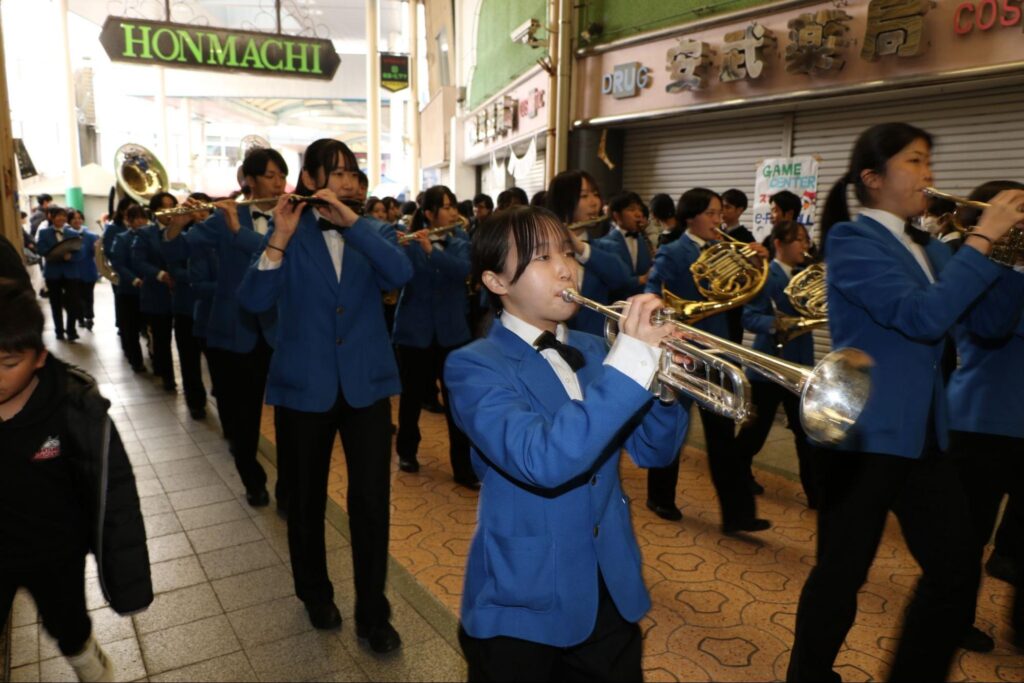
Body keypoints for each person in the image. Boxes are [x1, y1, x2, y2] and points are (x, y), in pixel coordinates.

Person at [786, 122, 1024, 682]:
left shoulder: (927, 247)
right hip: (863, 434)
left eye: (929, 163)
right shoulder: (851, 241)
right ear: (872, 178)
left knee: (956, 573)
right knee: (842, 575)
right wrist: (984, 240)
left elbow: (989, 323)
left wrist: (1011, 258)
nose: (930, 175)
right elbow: (921, 319)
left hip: (924, 438)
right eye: (915, 162)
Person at [443, 206, 689, 681]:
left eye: (569, 252)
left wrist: (664, 384)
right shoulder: (473, 366)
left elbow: (654, 453)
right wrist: (634, 361)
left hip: (608, 588)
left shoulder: (598, 349)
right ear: (497, 282)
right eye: (541, 257)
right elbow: (545, 460)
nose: (566, 268)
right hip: (522, 599)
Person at [237, 138, 413, 650]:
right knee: (307, 499)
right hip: (303, 387)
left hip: (367, 387)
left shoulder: (373, 230)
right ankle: (315, 592)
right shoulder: (286, 231)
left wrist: (355, 225)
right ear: (311, 178)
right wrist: (280, 239)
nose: (349, 182)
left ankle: (373, 612)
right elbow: (253, 298)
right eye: (337, 173)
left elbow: (401, 275)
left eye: (354, 173)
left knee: (371, 501)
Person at [0, 281, 152, 683]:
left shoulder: (72, 406)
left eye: (8, 363)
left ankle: (90, 664)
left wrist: (128, 579)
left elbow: (117, 496)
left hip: (53, 551)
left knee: (67, 628)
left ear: (38, 358)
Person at [161, 148, 287, 509]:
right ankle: (253, 479)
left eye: (282, 175)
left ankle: (288, 489)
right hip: (237, 331)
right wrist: (176, 224)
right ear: (248, 180)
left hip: (280, 329)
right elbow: (176, 252)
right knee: (241, 419)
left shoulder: (291, 217)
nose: (278, 183)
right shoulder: (226, 217)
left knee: (291, 418)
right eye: (270, 175)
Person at [646, 187, 770, 530]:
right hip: (681, 353)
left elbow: (749, 294)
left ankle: (738, 516)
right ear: (691, 217)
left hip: (717, 353)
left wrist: (760, 263)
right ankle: (660, 497)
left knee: (722, 436)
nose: (719, 221)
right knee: (673, 427)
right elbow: (651, 294)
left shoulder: (729, 250)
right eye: (712, 214)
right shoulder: (672, 252)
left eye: (720, 214)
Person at [945, 179, 1024, 653]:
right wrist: (1013, 261)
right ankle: (954, 619)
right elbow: (991, 328)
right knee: (966, 537)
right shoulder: (969, 267)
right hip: (980, 420)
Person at [392, 185, 476, 486]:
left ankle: (463, 468)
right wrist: (404, 247)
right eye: (446, 206)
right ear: (429, 214)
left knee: (456, 402)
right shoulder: (410, 242)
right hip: (415, 332)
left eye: (454, 205)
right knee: (411, 398)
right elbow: (401, 276)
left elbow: (463, 269)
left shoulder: (461, 239)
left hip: (452, 332)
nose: (453, 211)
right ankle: (406, 451)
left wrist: (431, 252)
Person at [736, 221, 820, 506]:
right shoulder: (766, 276)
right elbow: (749, 317)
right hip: (769, 365)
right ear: (779, 244)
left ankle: (815, 492)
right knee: (756, 430)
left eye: (807, 240)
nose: (805, 245)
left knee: (804, 429)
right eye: (799, 240)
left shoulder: (808, 275)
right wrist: (778, 324)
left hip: (800, 365)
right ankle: (738, 473)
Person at [545, 170, 631, 337]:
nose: (595, 203)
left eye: (596, 194)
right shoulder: (539, 248)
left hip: (593, 345)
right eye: (584, 196)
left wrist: (579, 247)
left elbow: (624, 280)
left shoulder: (606, 248)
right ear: (563, 200)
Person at [132, 193, 179, 392]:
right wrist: (160, 274)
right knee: (162, 338)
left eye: (172, 206)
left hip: (183, 293)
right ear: (155, 211)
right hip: (157, 293)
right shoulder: (145, 233)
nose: (169, 212)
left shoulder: (183, 229)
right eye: (164, 207)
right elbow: (138, 261)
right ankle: (167, 377)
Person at [36, 206, 83, 341]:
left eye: (63, 216)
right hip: (53, 273)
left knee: (72, 303)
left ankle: (71, 330)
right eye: (58, 216)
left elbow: (80, 253)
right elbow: (41, 250)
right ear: (51, 217)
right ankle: (59, 331)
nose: (61, 218)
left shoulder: (73, 233)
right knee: (55, 303)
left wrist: (71, 257)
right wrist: (59, 255)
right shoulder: (44, 233)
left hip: (71, 273)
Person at [594, 191, 653, 298]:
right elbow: (612, 281)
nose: (639, 214)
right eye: (631, 209)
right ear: (617, 216)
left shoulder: (642, 239)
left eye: (639, 209)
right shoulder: (604, 243)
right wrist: (642, 279)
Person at [68, 210, 100, 332]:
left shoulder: (91, 236)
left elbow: (95, 254)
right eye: (74, 218)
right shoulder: (67, 235)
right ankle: (80, 317)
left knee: (88, 296)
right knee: (77, 297)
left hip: (88, 270)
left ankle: (89, 317)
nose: (77, 221)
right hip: (73, 272)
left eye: (79, 218)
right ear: (69, 221)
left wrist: (96, 248)